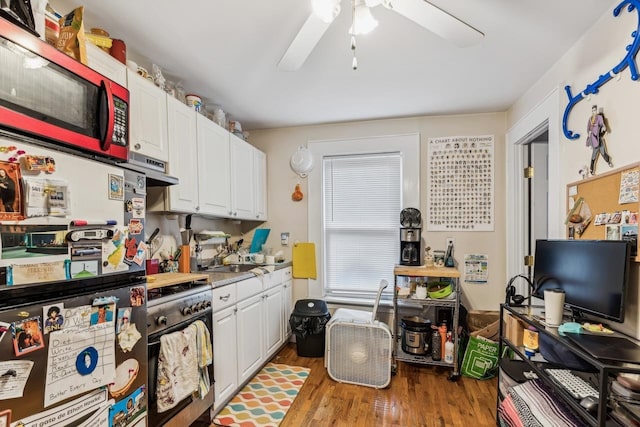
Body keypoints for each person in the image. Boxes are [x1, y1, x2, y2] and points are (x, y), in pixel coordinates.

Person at [586, 105, 613, 175]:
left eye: (595, 110)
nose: (594, 112)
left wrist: (605, 129)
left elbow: (603, 125)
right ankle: (592, 169)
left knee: (603, 152)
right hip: (594, 140)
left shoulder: (599, 118)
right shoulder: (590, 119)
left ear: (596, 110)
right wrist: (589, 138)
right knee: (594, 156)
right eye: (592, 110)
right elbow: (588, 129)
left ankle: (608, 161)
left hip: (599, 139)